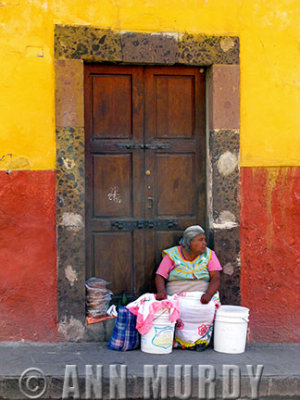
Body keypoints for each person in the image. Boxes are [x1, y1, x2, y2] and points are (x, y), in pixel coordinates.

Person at [155, 225, 222, 350]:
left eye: (204, 240)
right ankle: (181, 341)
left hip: (202, 293)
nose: (204, 243)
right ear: (189, 242)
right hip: (178, 294)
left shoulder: (209, 255)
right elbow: (160, 275)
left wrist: (208, 294)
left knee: (206, 309)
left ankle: (200, 341)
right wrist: (161, 291)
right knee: (182, 308)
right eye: (200, 240)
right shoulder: (172, 254)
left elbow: (216, 278)